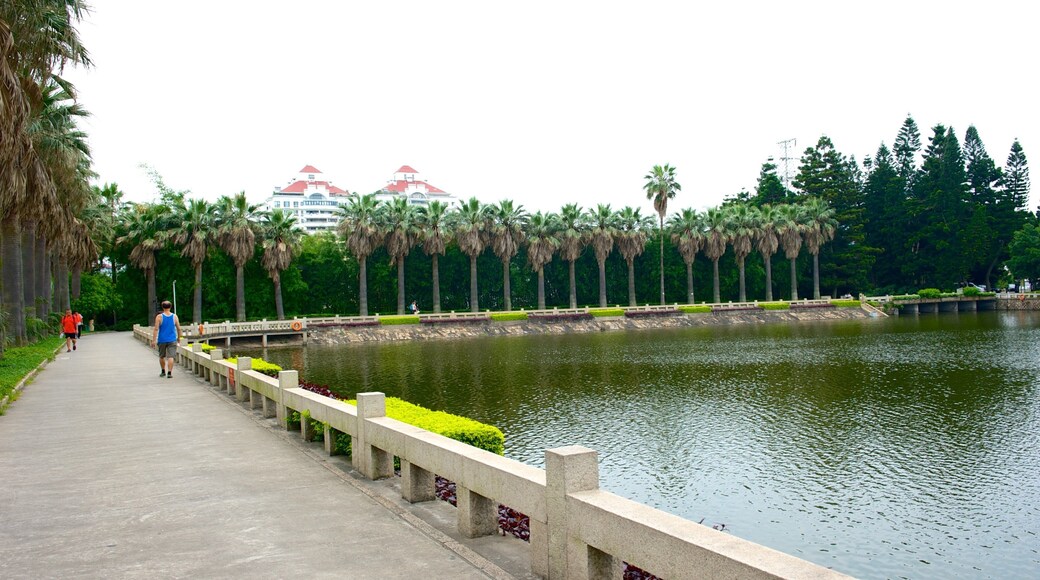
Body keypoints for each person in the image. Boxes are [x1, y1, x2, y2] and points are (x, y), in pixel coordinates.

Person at [151, 300, 182, 379]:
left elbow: (156, 329)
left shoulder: (159, 317)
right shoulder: (174, 316)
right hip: (172, 339)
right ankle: (169, 372)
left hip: (162, 339)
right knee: (171, 356)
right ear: (170, 307)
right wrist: (179, 338)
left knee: (162, 356)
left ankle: (163, 371)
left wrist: (153, 340)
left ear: (162, 307)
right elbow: (178, 328)